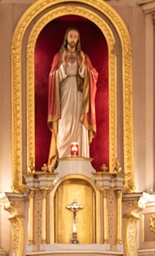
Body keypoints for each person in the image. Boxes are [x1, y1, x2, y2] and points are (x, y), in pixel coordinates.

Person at [46, 26, 99, 171]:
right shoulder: (58, 56)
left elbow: (94, 75)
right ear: (66, 38)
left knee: (79, 124)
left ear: (78, 39)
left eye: (75, 36)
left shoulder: (84, 57)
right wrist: (62, 66)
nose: (73, 39)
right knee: (64, 125)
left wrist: (83, 67)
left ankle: (81, 161)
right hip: (64, 94)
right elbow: (52, 77)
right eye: (71, 36)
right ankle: (62, 162)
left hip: (79, 95)